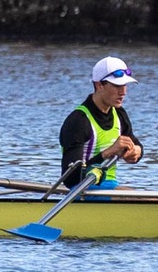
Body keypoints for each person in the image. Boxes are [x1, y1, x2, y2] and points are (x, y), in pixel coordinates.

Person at [57, 57, 145, 190]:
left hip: (109, 188)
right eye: (117, 86)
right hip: (81, 190)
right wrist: (107, 153)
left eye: (125, 85)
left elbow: (136, 144)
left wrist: (137, 152)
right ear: (99, 85)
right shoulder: (78, 121)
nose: (123, 92)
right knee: (146, 199)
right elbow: (70, 179)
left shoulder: (119, 114)